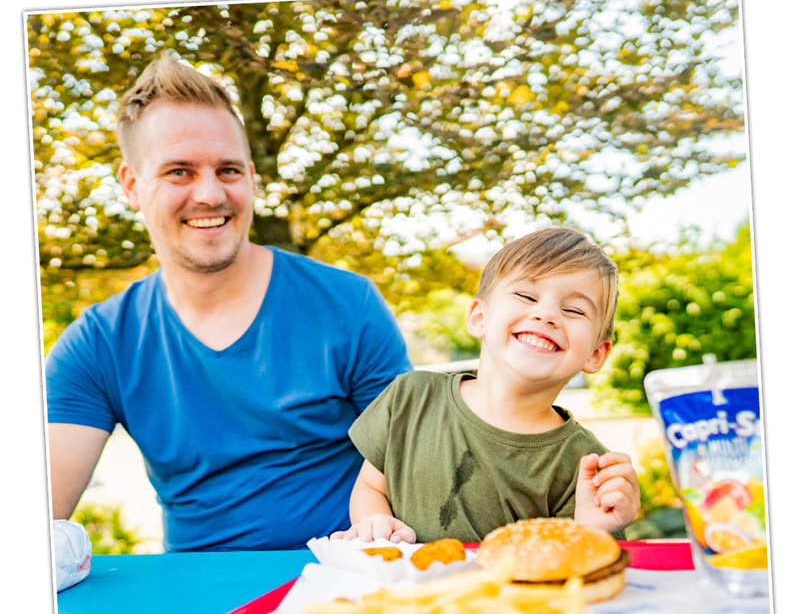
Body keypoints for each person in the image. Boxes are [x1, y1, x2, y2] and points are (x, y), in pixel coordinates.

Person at [45, 54, 412, 551]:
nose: (211, 194)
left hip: (345, 582)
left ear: (252, 179)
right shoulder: (97, 344)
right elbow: (39, 507)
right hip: (197, 602)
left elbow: (412, 467)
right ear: (132, 185)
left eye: (229, 170)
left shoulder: (348, 304)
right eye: (179, 172)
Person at [332, 226, 640, 544]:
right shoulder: (411, 396)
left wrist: (590, 533)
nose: (547, 314)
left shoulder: (586, 465)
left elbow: (583, 566)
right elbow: (370, 486)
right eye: (526, 295)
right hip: (399, 590)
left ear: (596, 354)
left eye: (574, 310)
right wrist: (376, 524)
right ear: (479, 316)